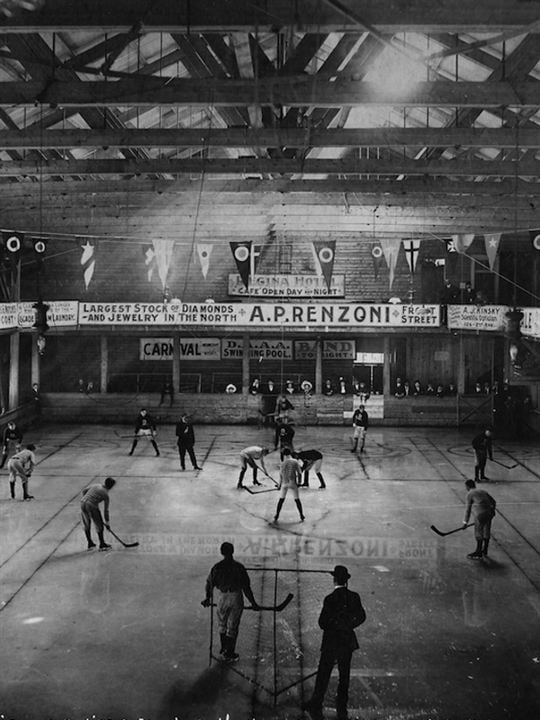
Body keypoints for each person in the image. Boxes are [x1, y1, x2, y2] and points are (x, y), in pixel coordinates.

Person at [303, 565, 366, 720]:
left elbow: (322, 623)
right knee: (344, 675)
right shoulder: (354, 597)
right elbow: (362, 616)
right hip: (347, 641)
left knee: (324, 673)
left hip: (331, 641)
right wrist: (348, 625)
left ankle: (317, 701)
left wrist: (335, 625)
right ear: (346, 581)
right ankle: (341, 704)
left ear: (334, 579)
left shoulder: (330, 599)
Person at [201, 542, 260, 661]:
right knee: (232, 626)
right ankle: (230, 652)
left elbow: (210, 583)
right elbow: (246, 587)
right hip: (235, 597)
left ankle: (223, 648)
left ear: (221, 552)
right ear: (232, 551)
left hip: (222, 597)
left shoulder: (217, 567)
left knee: (222, 624)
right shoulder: (239, 567)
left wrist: (208, 598)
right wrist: (253, 603)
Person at [463, 479, 497, 559]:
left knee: (478, 532)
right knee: (486, 531)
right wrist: (493, 510)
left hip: (481, 515)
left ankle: (478, 552)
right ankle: (485, 550)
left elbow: (468, 509)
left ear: (467, 486)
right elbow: (494, 502)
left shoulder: (470, 494)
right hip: (489, 513)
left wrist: (465, 522)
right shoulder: (483, 491)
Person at [80, 476, 116, 551]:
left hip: (82, 502)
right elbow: (106, 511)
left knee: (87, 524)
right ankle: (102, 544)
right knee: (99, 525)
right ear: (111, 486)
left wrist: (87, 499)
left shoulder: (96, 485)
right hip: (91, 505)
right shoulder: (105, 495)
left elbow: (84, 491)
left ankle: (90, 543)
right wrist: (107, 523)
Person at [273, 447, 304, 523]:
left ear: (283, 454)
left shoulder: (282, 463)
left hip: (284, 483)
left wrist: (279, 485)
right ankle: (301, 515)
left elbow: (280, 475)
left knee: (281, 500)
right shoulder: (295, 461)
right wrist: (299, 483)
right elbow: (299, 473)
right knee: (297, 500)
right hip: (293, 483)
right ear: (290, 453)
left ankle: (277, 515)